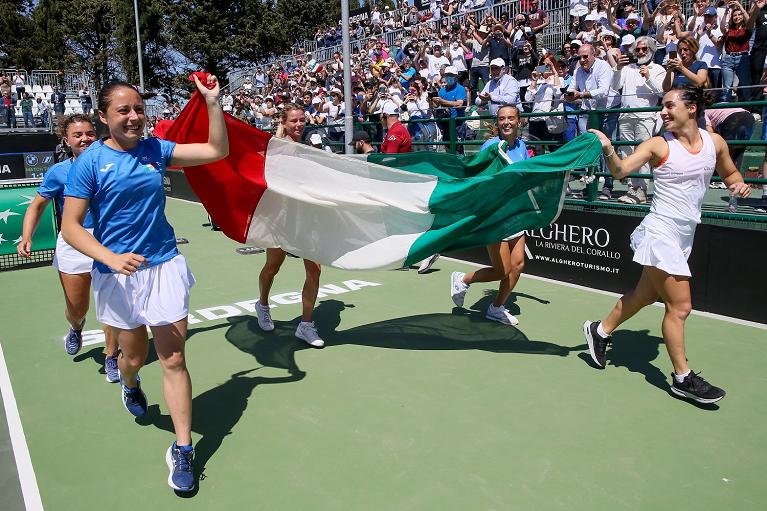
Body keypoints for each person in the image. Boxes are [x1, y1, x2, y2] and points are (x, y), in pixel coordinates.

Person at [61, 75, 228, 491]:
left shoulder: (156, 149)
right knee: (133, 357)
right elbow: (70, 227)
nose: (134, 117)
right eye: (124, 111)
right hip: (118, 275)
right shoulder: (88, 163)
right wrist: (110, 258)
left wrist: (211, 102)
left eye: (139, 109)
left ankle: (183, 449)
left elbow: (215, 150)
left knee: (173, 360)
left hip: (165, 265)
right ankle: (131, 383)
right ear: (104, 117)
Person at [583, 86, 751, 404]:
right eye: (662, 106)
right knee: (680, 307)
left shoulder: (715, 143)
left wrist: (738, 184)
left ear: (692, 108)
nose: (663, 111)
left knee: (644, 296)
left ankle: (599, 330)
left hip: (685, 235)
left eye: (669, 105)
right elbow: (619, 172)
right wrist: (607, 146)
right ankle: (682, 377)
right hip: (660, 232)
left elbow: (730, 173)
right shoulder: (658, 145)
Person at [17, 114, 119, 380]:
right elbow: (37, 205)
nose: (85, 138)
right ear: (66, 140)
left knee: (112, 306)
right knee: (77, 308)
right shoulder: (59, 171)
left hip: (109, 241)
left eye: (89, 133)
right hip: (74, 242)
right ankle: (76, 327)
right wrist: (26, 235)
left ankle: (112, 356)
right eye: (78, 135)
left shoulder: (112, 163)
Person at [450, 105, 529, 326]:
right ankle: (463, 279)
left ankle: (496, 308)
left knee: (519, 265)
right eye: (502, 118)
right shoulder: (491, 146)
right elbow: (478, 177)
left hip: (515, 212)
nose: (506, 122)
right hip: (494, 215)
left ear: (518, 121)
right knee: (501, 270)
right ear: (497, 122)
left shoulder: (522, 146)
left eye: (511, 118)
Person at [255, 103, 325, 349]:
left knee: (314, 271)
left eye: (302, 120)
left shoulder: (308, 150)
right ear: (283, 122)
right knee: (273, 267)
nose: (298, 125)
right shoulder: (274, 149)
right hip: (280, 219)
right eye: (293, 120)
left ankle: (306, 325)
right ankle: (262, 304)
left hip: (306, 219)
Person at [612, 36, 666, 205]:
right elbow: (615, 87)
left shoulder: (658, 69)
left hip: (645, 116)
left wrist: (648, 77)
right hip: (626, 115)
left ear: (651, 50)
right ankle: (631, 188)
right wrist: (618, 68)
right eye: (638, 49)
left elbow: (662, 93)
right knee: (627, 153)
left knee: (643, 154)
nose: (641, 52)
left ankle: (641, 190)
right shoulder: (627, 69)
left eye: (644, 49)